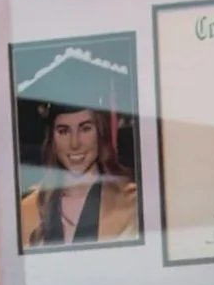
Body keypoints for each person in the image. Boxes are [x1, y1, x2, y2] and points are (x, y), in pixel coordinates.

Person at [17, 99, 140, 247]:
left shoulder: (134, 204)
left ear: (101, 132)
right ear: (52, 139)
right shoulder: (26, 211)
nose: (74, 144)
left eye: (85, 129)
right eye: (63, 131)